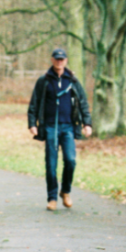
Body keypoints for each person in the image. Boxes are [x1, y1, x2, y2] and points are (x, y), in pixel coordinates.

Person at [27, 48, 92, 210]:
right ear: (52, 60)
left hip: (68, 127)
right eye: (56, 59)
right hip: (49, 127)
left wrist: (87, 123)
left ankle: (65, 191)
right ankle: (52, 198)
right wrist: (32, 124)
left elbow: (83, 102)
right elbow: (34, 103)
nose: (59, 61)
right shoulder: (44, 81)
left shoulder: (73, 81)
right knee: (51, 163)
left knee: (70, 160)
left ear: (66, 61)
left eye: (62, 59)